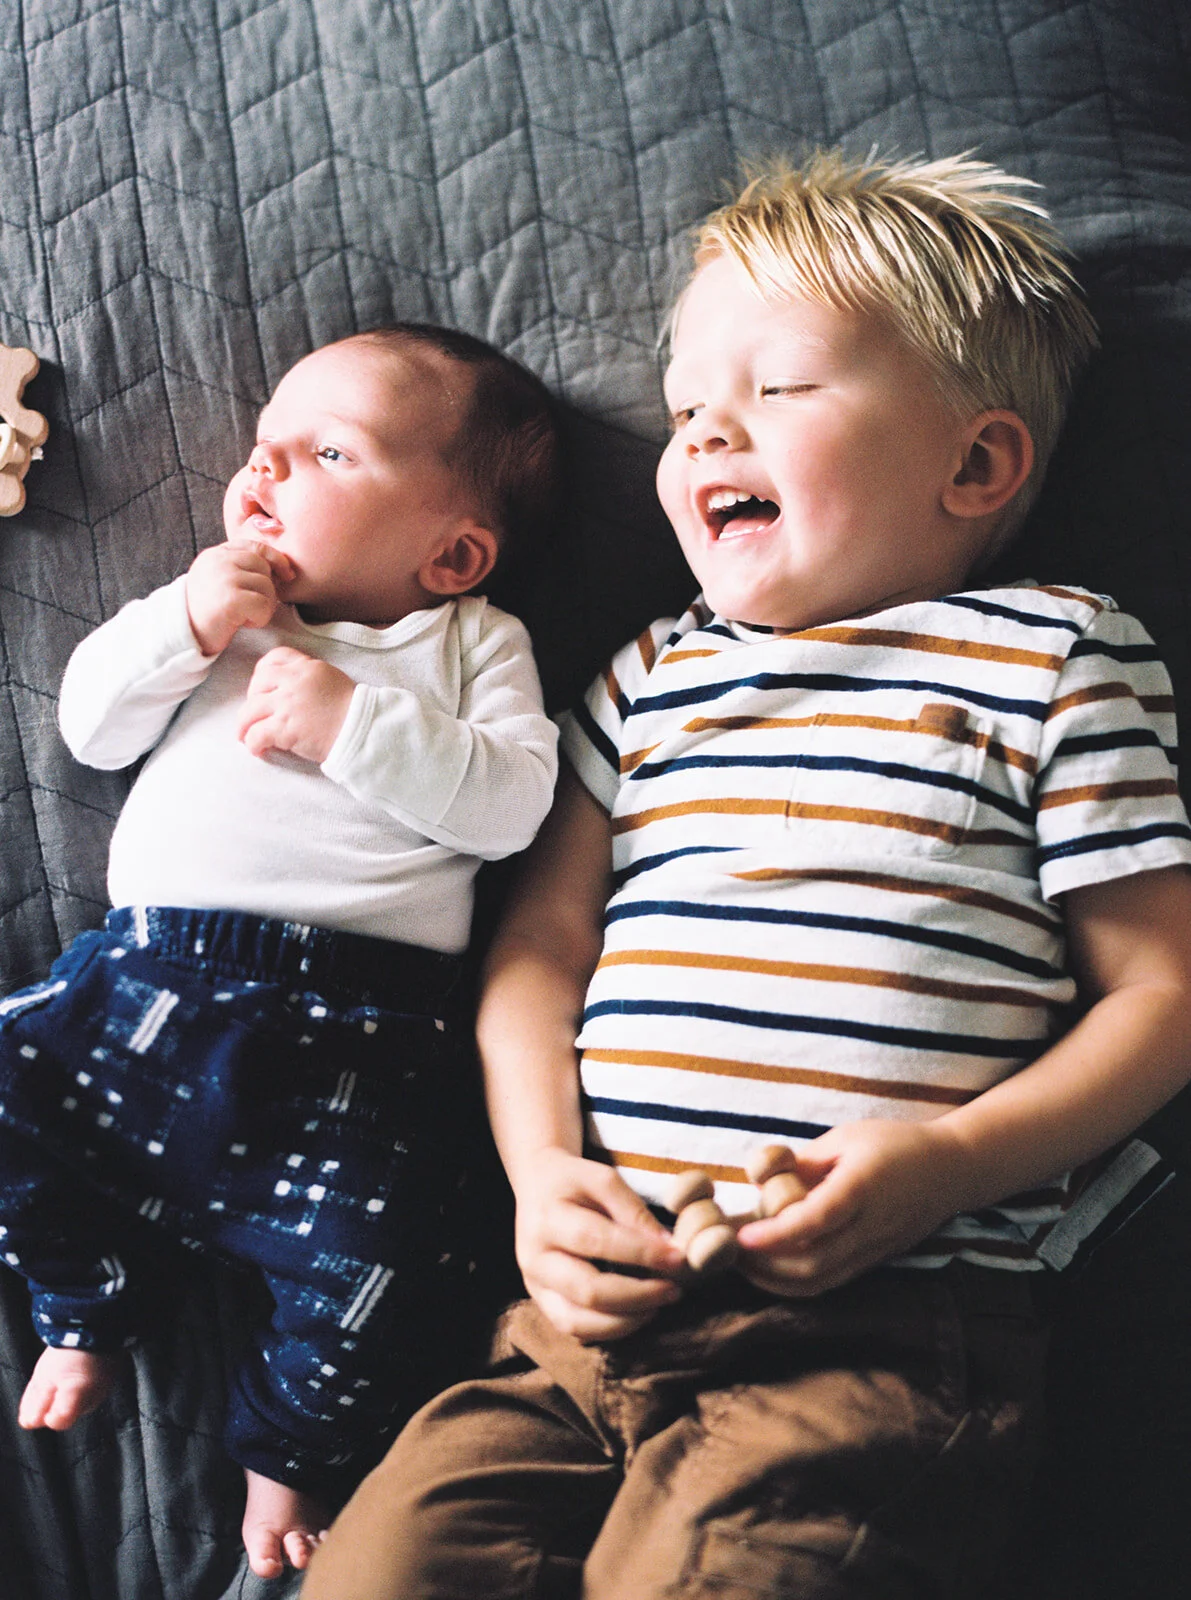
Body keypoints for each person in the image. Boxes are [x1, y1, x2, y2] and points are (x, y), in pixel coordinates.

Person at [300, 152, 1191, 1600]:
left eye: (776, 388)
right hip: (583, 1326)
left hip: (878, 1334)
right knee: (377, 1570)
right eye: (683, 406)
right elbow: (536, 956)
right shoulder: (652, 675)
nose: (709, 426)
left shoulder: (1052, 658)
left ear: (974, 466)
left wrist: (952, 1164)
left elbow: (1160, 992)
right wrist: (541, 1176)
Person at [0, 323, 560, 1579]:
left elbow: (512, 806)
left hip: (355, 1037)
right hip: (142, 990)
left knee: (398, 1260)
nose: (264, 470)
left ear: (453, 555)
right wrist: (185, 626)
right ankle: (86, 1300)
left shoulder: (474, 645)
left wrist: (352, 722)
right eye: (263, 445)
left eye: (326, 452)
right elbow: (91, 730)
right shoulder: (220, 611)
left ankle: (287, 1451)